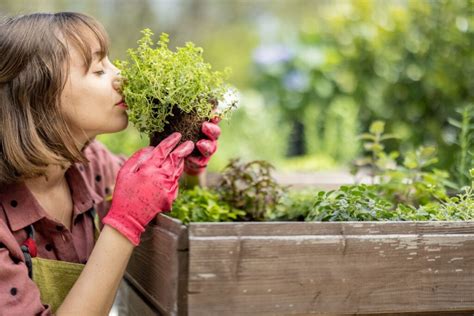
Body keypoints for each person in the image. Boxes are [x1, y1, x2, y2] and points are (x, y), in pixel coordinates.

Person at [0, 12, 221, 315]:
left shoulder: (93, 166)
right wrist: (123, 224)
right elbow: (131, 212)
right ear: (38, 95)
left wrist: (188, 168)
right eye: (98, 70)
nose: (122, 78)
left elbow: (157, 199)